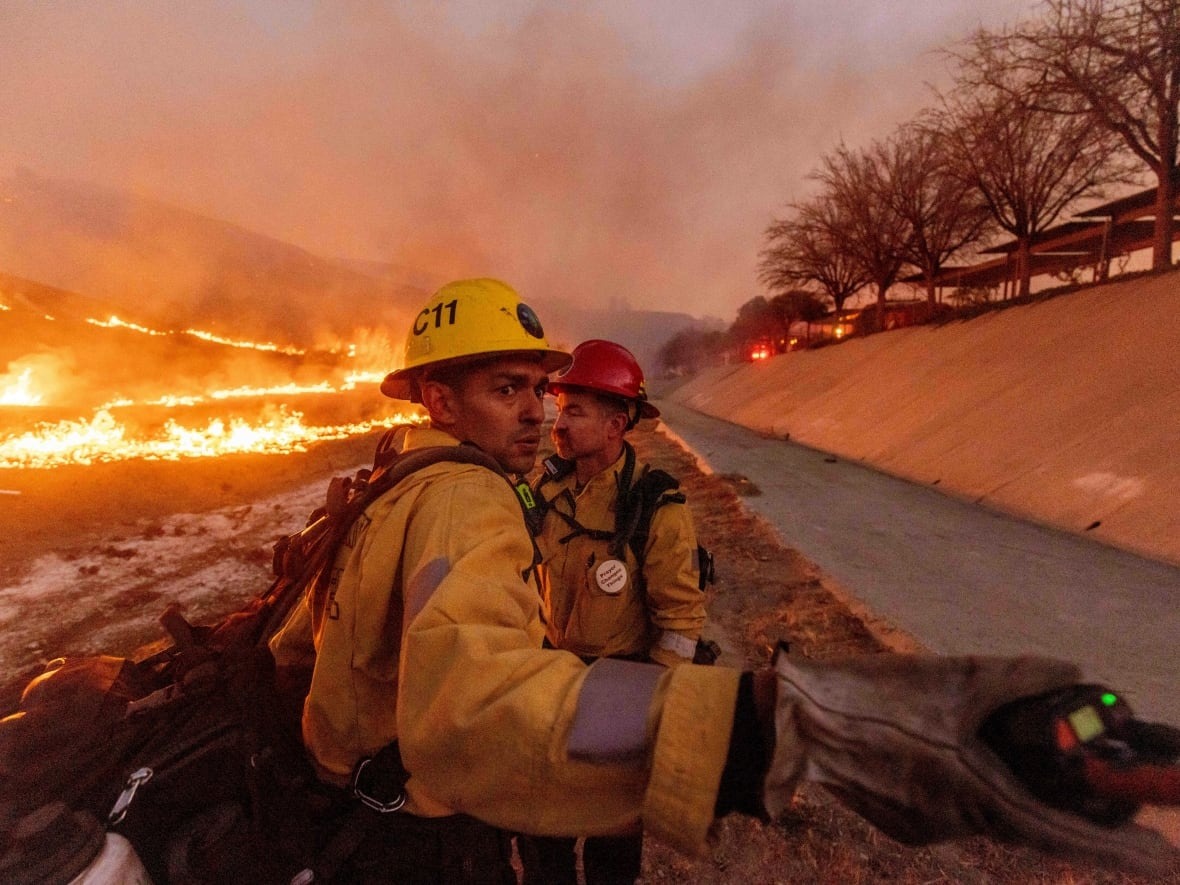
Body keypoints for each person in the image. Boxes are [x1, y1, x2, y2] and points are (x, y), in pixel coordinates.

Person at [274, 277, 1178, 884]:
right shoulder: (468, 501)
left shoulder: (392, 486)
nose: (540, 412)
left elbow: (313, 651)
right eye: (510, 388)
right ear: (438, 400)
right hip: (427, 816)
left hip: (425, 783)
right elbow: (479, 702)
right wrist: (769, 728)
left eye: (545, 392)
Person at [520, 339, 713, 884]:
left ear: (616, 424)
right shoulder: (543, 488)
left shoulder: (657, 507)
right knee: (543, 842)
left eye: (574, 411)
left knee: (611, 852)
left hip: (618, 693)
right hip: (546, 686)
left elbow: (679, 625)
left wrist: (649, 711)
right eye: (560, 409)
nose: (559, 423)